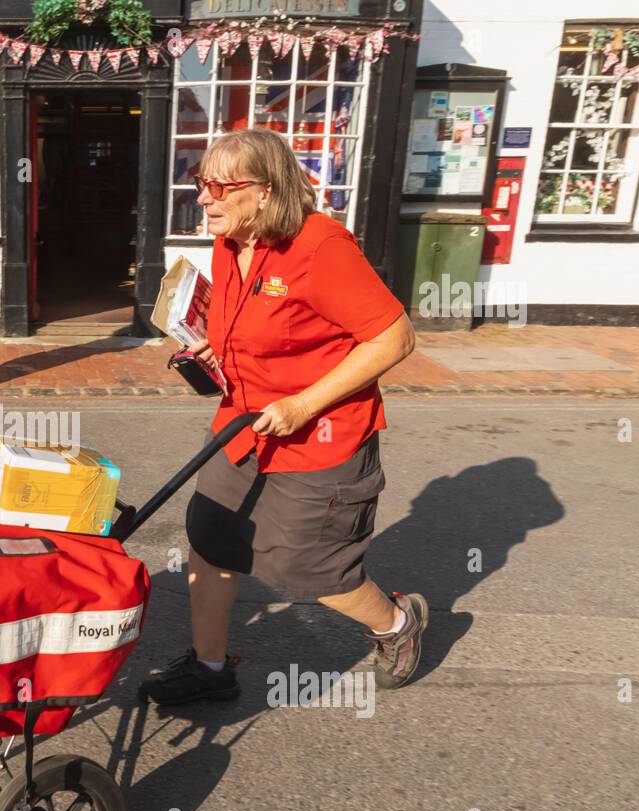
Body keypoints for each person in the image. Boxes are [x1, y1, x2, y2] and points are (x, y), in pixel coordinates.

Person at [139, 129, 428, 705]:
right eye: (203, 183)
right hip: (243, 424)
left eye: (222, 186)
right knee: (211, 536)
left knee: (309, 570)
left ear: (266, 192)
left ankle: (398, 623)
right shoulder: (232, 241)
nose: (205, 198)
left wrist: (303, 404)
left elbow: (396, 337)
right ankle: (211, 665)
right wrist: (215, 345)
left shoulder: (322, 248)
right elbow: (257, 321)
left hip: (320, 436)